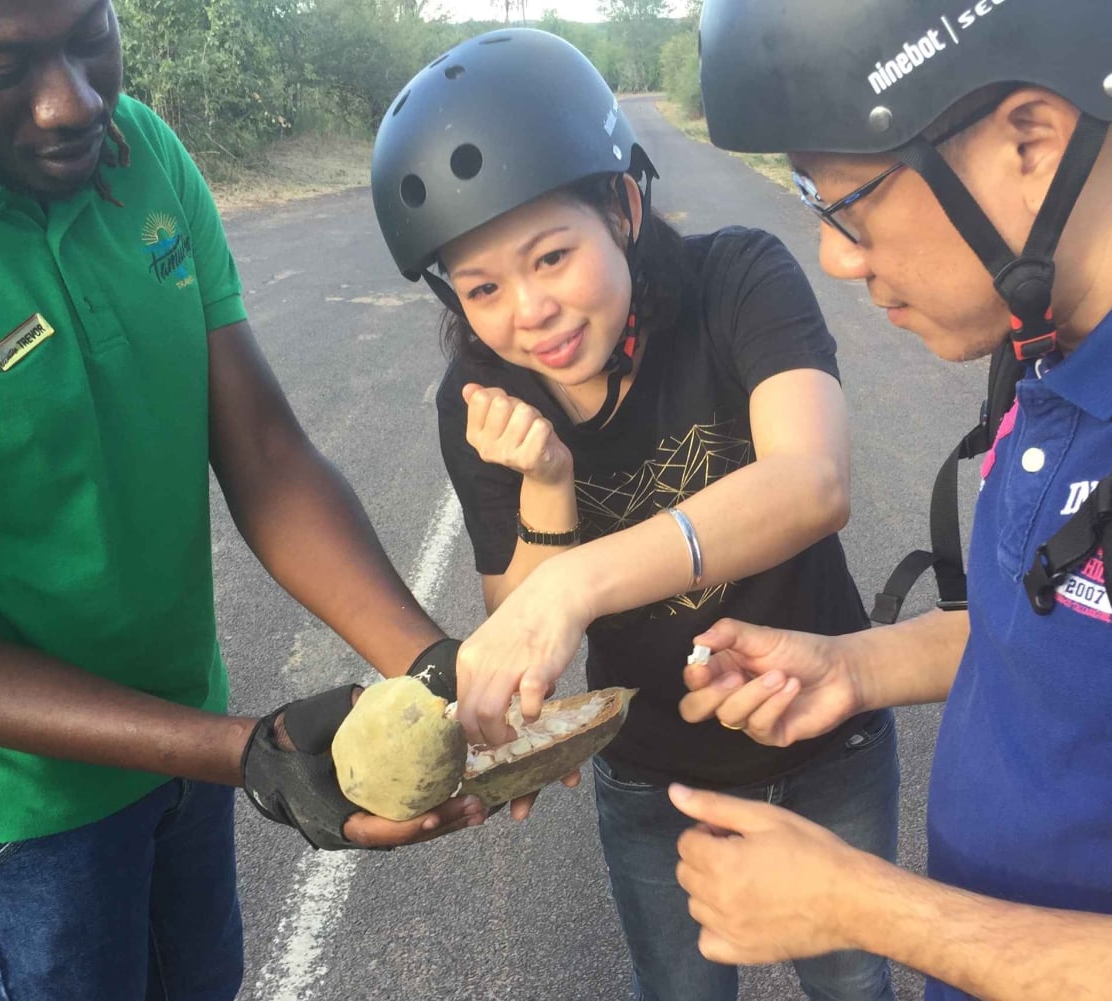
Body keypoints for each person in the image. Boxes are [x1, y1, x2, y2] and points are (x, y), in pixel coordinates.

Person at [669, 1, 1112, 999]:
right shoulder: (1061, 321)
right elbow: (1075, 631)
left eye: (844, 201)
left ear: (1031, 141)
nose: (837, 255)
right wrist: (852, 666)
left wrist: (856, 905)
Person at [0, 3, 486, 999]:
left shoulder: (138, 150)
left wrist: (433, 664)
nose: (73, 102)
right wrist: (251, 755)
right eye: (3, 66)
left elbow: (265, 456)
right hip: (10, 813)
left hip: (180, 740)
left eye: (90, 34)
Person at [371, 27, 898, 1001]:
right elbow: (527, 634)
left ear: (623, 206)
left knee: (853, 983)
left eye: (552, 256)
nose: (529, 310)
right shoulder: (482, 402)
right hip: (654, 772)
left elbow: (813, 479)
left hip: (828, 738)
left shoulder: (737, 280)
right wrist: (547, 481)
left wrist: (582, 579)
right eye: (483, 288)